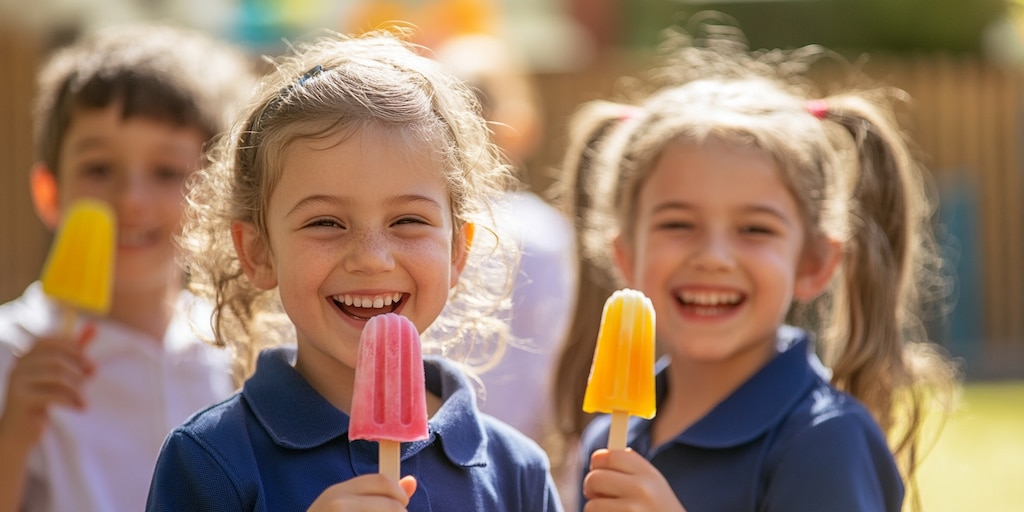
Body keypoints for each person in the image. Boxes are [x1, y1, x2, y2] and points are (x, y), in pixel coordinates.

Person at [144, 29, 563, 511]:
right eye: (325, 222)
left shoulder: (517, 474)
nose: (370, 257)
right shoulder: (210, 462)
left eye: (407, 220)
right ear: (259, 252)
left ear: (457, 253)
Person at [556, 23, 959, 512]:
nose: (713, 256)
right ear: (625, 257)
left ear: (814, 263)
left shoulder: (825, 439)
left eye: (755, 230)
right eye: (678, 224)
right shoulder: (610, 438)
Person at [0, 23, 256, 512]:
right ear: (49, 192)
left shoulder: (231, 350)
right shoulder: (12, 349)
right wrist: (12, 436)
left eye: (166, 172)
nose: (131, 200)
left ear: (213, 200)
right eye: (99, 169)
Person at [433, 33, 578, 445]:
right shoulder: (548, 235)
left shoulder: (412, 230)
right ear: (523, 126)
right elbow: (558, 364)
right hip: (517, 452)